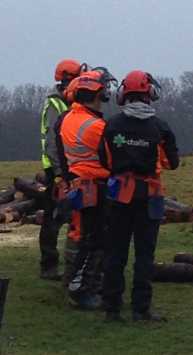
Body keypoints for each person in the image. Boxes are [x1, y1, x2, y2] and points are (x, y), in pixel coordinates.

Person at [102, 70, 179, 322]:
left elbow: (104, 160)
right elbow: (172, 162)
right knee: (145, 254)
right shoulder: (160, 127)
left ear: (123, 94)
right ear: (150, 94)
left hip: (118, 195)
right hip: (150, 195)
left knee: (115, 252)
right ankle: (141, 309)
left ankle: (112, 308)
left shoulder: (112, 125)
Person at [59, 68, 117, 309]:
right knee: (96, 240)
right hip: (96, 185)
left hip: (79, 183)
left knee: (84, 237)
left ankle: (80, 283)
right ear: (96, 93)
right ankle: (82, 289)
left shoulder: (69, 119)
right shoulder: (95, 126)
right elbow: (112, 159)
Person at [39, 59, 83, 280]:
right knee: (53, 217)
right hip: (57, 169)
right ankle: (48, 264)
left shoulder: (69, 103)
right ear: (67, 80)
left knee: (71, 214)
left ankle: (71, 261)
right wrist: (58, 174)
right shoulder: (55, 105)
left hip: (70, 166)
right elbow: (52, 143)